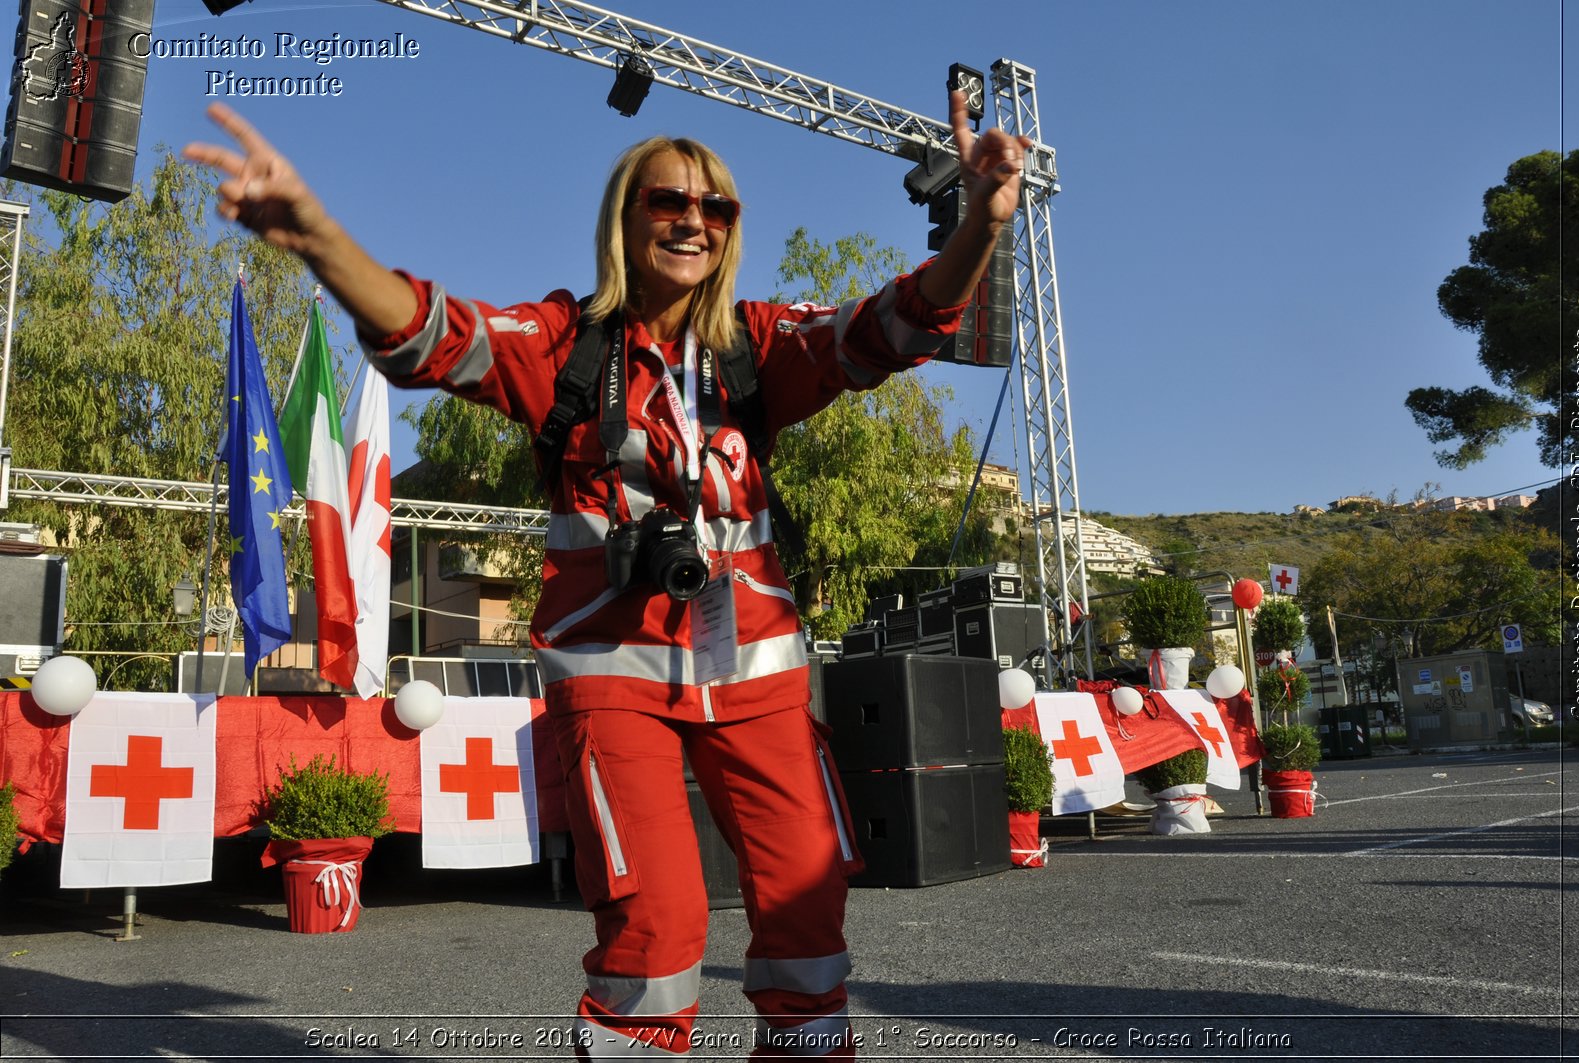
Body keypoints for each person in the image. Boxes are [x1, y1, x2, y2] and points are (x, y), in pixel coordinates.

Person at [185, 95, 1029, 1060]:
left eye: (717, 209)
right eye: (667, 199)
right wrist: (317, 235)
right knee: (656, 920)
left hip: (754, 665)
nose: (693, 220)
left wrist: (978, 224)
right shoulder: (565, 344)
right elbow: (434, 334)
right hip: (612, 668)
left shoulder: (756, 344)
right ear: (623, 220)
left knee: (809, 891)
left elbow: (898, 324)